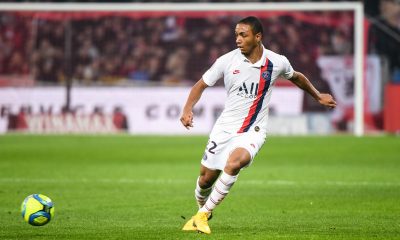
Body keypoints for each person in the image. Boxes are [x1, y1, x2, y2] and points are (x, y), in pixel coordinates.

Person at [180, 16, 337, 234]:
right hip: (224, 128)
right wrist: (187, 109)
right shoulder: (226, 61)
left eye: (243, 34)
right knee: (206, 179)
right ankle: (201, 208)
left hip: (254, 130)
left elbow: (296, 77)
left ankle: (202, 215)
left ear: (258, 37)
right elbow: (200, 85)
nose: (237, 39)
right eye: (236, 34)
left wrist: (317, 96)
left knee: (236, 162)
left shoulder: (276, 62)